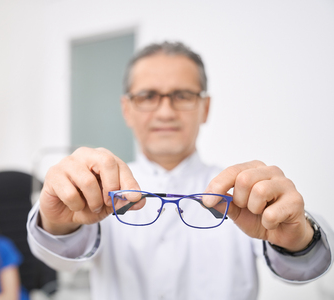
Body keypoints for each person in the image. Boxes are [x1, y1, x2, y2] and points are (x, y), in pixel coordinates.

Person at [26, 42, 334, 300]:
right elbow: (59, 259)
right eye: (148, 96)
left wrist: (299, 238)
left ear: (206, 107)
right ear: (126, 109)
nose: (165, 111)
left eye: (182, 96)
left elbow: (308, 267)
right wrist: (54, 221)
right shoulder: (100, 186)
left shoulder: (246, 191)